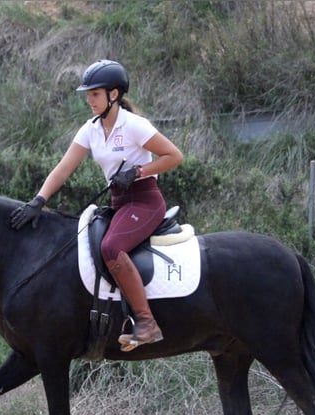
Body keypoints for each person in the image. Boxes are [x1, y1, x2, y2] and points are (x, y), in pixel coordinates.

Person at [10, 59, 184, 351]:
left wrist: (138, 172)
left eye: (94, 94)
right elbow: (63, 169)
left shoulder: (135, 126)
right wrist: (39, 200)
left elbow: (175, 156)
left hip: (145, 201)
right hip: (120, 203)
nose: (89, 100)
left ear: (113, 95)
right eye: (88, 95)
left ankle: (146, 322)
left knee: (110, 248)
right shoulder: (90, 129)